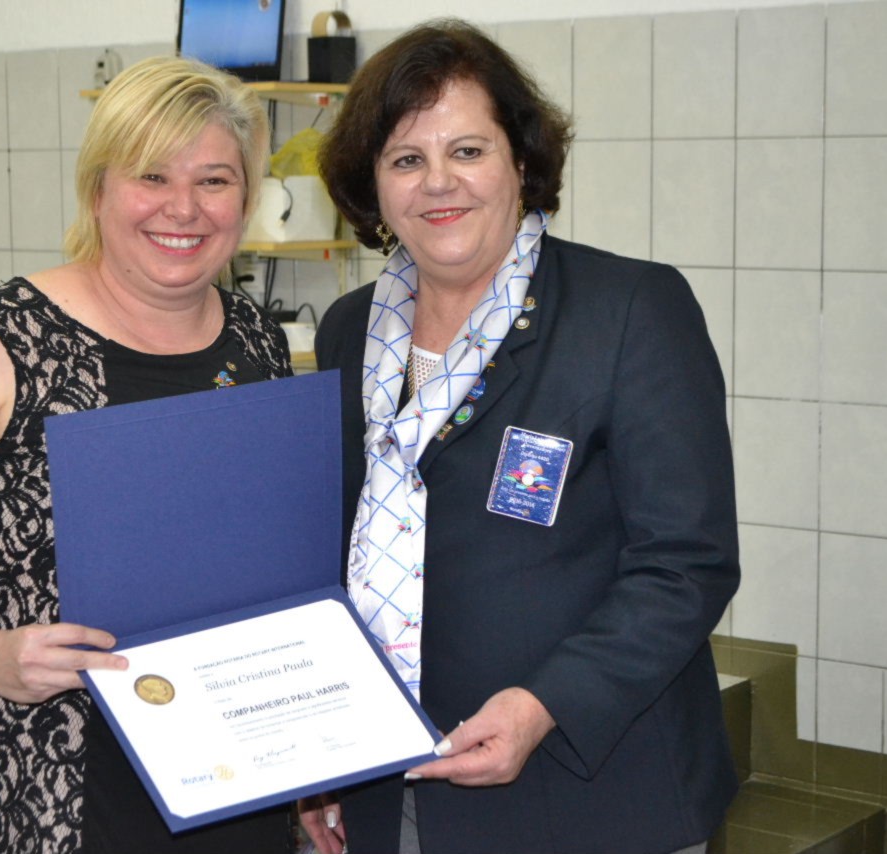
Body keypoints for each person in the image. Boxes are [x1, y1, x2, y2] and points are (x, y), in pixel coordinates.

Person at [0, 56, 293, 853]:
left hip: (229, 751)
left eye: (214, 180)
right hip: (53, 759)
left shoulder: (255, 338)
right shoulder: (0, 343)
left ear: (245, 199)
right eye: (151, 175)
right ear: (98, 188)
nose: (183, 207)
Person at [299, 19, 740, 854]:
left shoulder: (629, 312)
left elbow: (688, 563)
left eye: (468, 151)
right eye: (406, 159)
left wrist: (543, 706)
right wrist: (321, 762)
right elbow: (336, 550)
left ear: (522, 162)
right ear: (372, 186)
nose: (439, 182)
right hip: (391, 785)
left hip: (590, 793)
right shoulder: (349, 332)